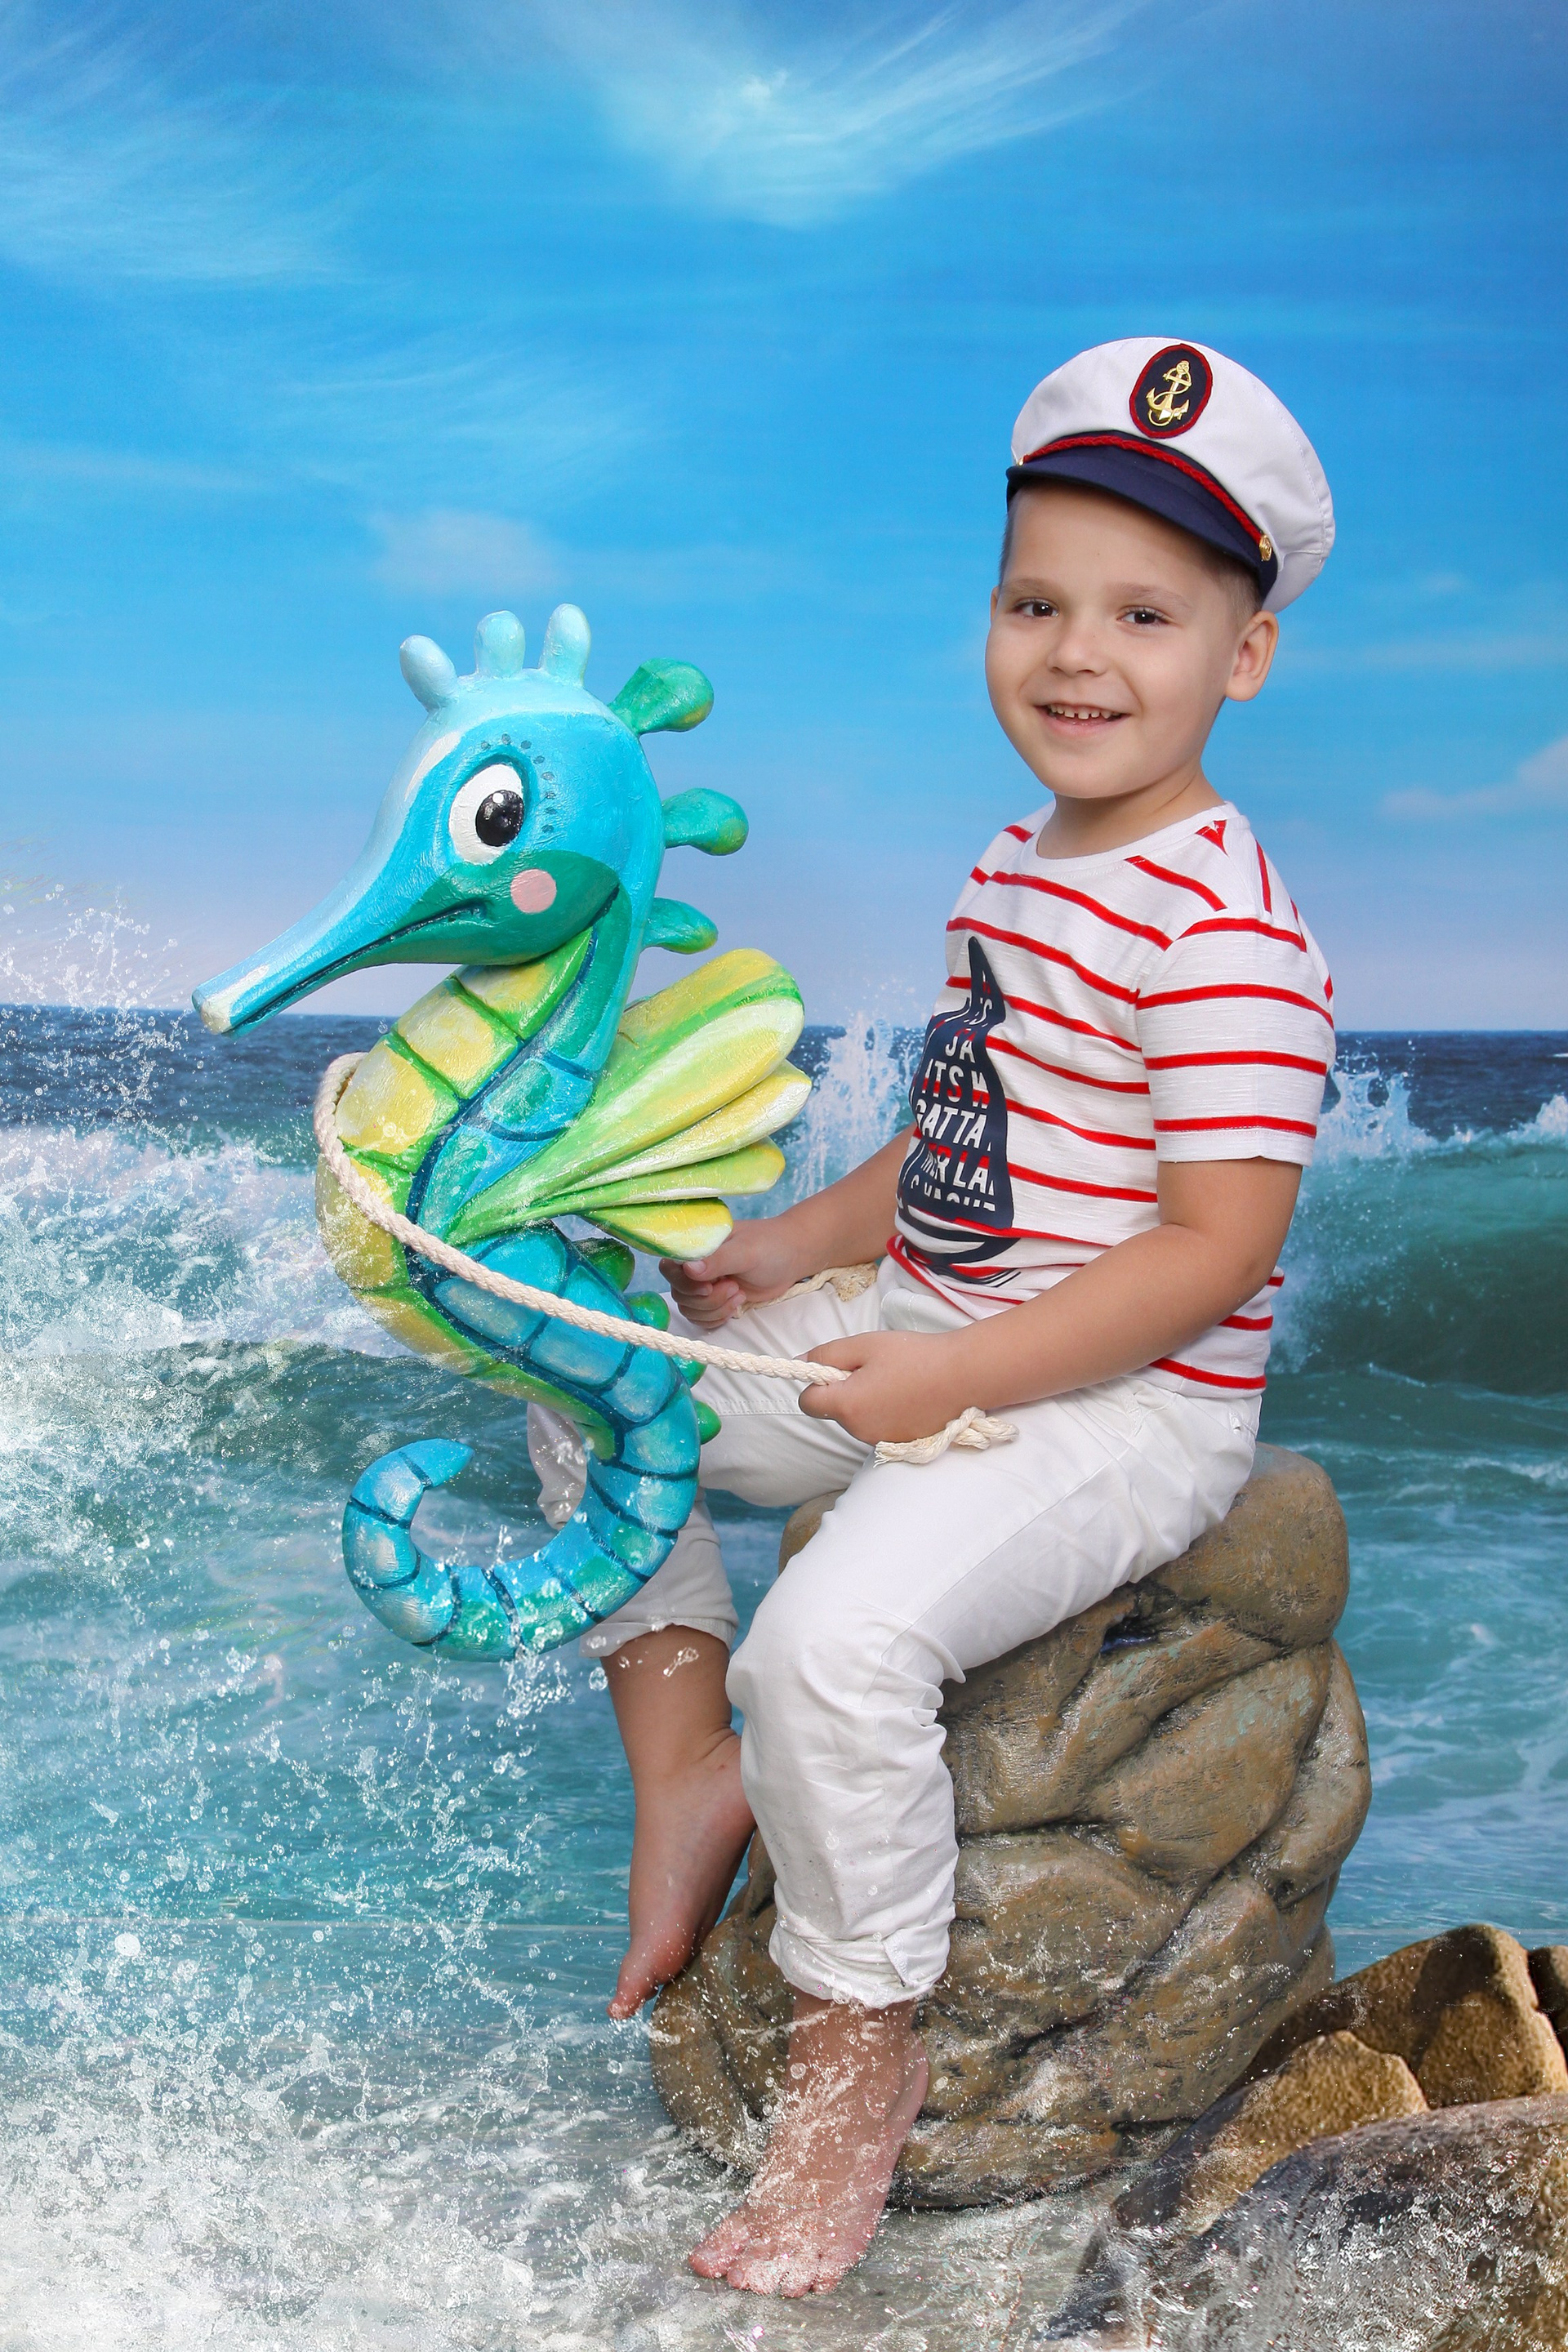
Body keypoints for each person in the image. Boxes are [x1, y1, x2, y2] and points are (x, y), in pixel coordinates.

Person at [553, 339, 1337, 2296]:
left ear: (1244, 655)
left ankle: (859, 2057)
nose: (1078, 655)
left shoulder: (1230, 936)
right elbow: (960, 1136)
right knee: (587, 1381)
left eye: (1145, 615)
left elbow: (1216, 1246)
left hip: (1117, 1410)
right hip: (938, 1319)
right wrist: (782, 1249)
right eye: (1035, 603)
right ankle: (690, 1773)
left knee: (833, 1649)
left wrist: (952, 1378)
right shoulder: (1018, 866)